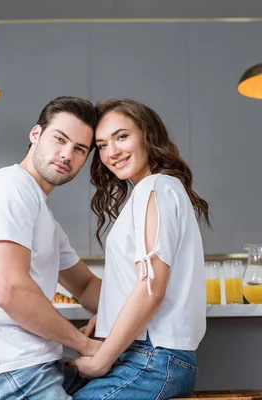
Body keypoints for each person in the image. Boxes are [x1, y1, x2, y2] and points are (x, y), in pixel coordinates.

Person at [0, 96, 103, 400]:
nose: (66, 154)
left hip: (39, 366)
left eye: (79, 149)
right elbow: (10, 291)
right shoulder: (11, 187)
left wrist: (118, 313)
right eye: (60, 139)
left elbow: (85, 285)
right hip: (6, 373)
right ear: (36, 135)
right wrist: (85, 345)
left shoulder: (41, 212)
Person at [70, 98, 210, 400]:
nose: (112, 152)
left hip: (153, 359)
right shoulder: (157, 190)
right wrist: (109, 313)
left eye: (122, 136)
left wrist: (101, 360)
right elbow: (144, 283)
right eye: (103, 145)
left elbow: (151, 289)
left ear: (147, 134)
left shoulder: (155, 187)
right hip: (154, 357)